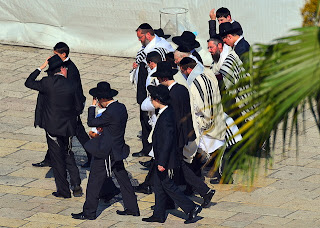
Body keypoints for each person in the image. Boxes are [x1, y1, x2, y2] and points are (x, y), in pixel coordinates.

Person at [72, 82, 139, 220]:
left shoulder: (110, 112)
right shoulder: (121, 107)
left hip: (107, 153)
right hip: (118, 149)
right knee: (124, 180)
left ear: (102, 99)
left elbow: (91, 122)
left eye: (97, 100)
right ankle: (132, 208)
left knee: (94, 183)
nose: (97, 103)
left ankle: (89, 212)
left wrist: (91, 106)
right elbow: (113, 126)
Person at [155, 61, 216, 208]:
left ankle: (202, 191)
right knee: (180, 167)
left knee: (177, 167)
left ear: (163, 78)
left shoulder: (172, 95)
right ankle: (199, 191)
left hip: (177, 137)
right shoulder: (181, 89)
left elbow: (174, 119)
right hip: (185, 133)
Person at [142, 84, 202, 224]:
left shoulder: (167, 116)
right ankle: (159, 214)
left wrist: (162, 162)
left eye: (152, 99)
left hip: (165, 159)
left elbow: (167, 141)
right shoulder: (166, 113)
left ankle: (191, 208)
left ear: (158, 100)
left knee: (168, 186)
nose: (151, 101)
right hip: (162, 158)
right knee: (159, 186)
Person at [25, 55, 83, 198]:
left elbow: (28, 82)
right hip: (68, 128)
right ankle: (76, 184)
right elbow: (78, 106)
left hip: (53, 129)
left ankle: (64, 191)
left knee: (58, 160)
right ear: (63, 69)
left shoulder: (47, 83)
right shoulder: (71, 84)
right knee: (69, 155)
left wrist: (40, 67)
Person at [32, 42, 92, 168]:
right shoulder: (59, 65)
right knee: (55, 132)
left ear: (63, 54)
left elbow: (72, 90)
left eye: (56, 54)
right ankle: (49, 158)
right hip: (61, 106)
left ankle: (92, 155)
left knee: (79, 133)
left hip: (70, 107)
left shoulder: (70, 69)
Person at [132, 23, 174, 158]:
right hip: (144, 87)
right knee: (144, 119)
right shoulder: (146, 47)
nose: (139, 40)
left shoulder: (161, 47)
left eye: (140, 37)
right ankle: (147, 148)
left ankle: (151, 150)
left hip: (153, 89)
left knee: (151, 120)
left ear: (148, 35)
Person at [179, 57, 226, 167]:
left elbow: (199, 105)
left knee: (212, 148)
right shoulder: (207, 73)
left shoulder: (196, 82)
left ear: (189, 69)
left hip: (206, 120)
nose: (184, 75)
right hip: (215, 116)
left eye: (183, 71)